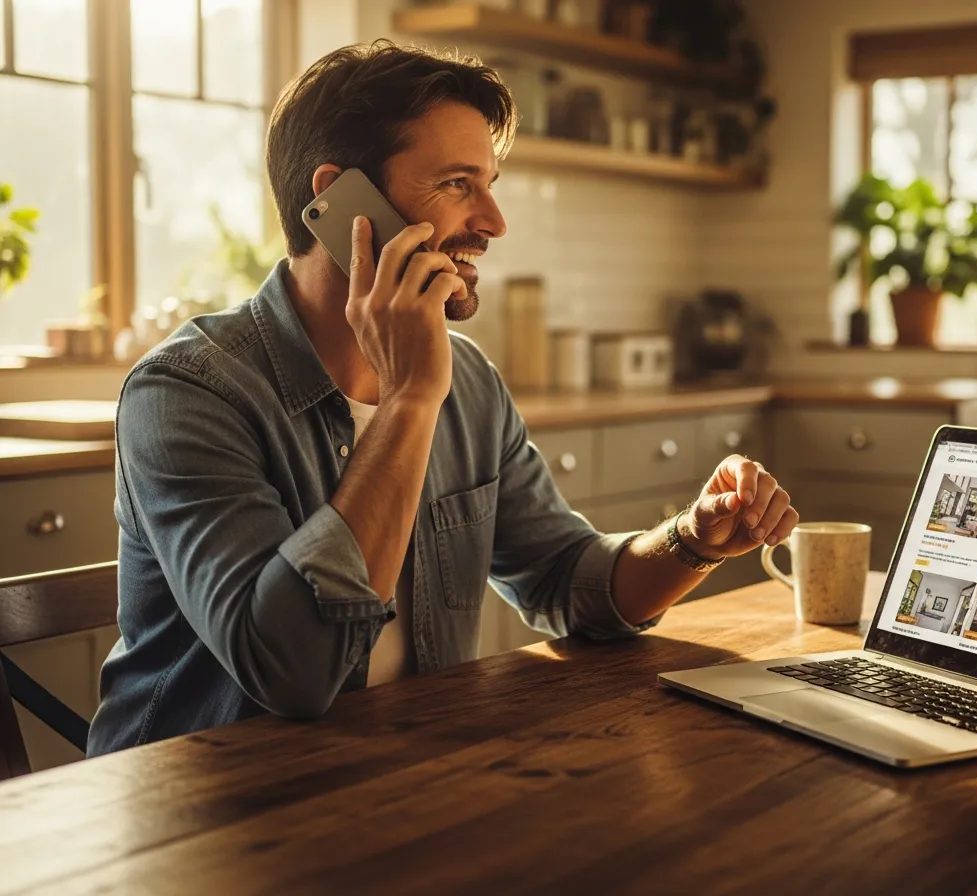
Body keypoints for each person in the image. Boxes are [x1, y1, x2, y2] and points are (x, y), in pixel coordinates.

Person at [87, 42, 798, 755]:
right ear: (337, 203)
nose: (493, 220)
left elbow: (561, 577)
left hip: (398, 781)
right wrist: (410, 402)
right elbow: (294, 674)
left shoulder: (470, 381)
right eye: (458, 183)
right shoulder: (186, 394)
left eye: (488, 183)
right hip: (197, 816)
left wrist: (691, 542)